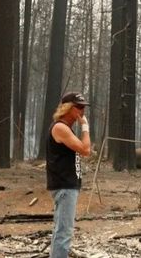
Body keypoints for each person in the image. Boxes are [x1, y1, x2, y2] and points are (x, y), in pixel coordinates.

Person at [46, 91, 91, 258]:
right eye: (78, 107)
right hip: (64, 185)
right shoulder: (60, 127)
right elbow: (85, 149)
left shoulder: (66, 128)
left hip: (67, 185)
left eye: (84, 107)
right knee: (64, 233)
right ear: (67, 108)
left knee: (61, 230)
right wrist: (85, 127)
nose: (82, 111)